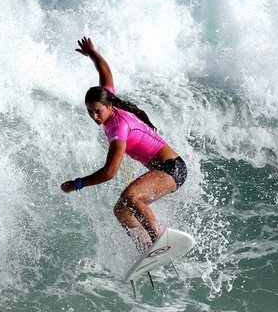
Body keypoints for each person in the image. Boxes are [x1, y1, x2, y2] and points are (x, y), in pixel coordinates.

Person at [60, 37, 187, 252]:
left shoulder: (119, 128)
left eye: (98, 111)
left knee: (130, 197)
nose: (95, 117)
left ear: (109, 106)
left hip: (172, 169)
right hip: (162, 170)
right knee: (121, 210)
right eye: (90, 112)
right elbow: (105, 70)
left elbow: (110, 172)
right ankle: (144, 246)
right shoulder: (109, 102)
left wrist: (78, 183)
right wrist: (92, 53)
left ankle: (158, 241)